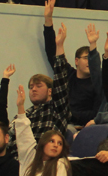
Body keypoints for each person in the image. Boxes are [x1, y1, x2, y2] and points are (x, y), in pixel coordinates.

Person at [43, 0, 101, 127]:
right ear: (76, 61)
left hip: (82, 127)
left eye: (91, 59)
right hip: (61, 123)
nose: (89, 62)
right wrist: (48, 20)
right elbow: (53, 53)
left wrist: (70, 115)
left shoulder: (97, 83)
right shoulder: (68, 74)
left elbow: (95, 113)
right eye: (86, 58)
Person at [27, 12, 74, 140]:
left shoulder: (57, 109)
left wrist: (59, 46)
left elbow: (60, 79)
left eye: (38, 86)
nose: (33, 89)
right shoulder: (26, 114)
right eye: (31, 87)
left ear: (50, 91)